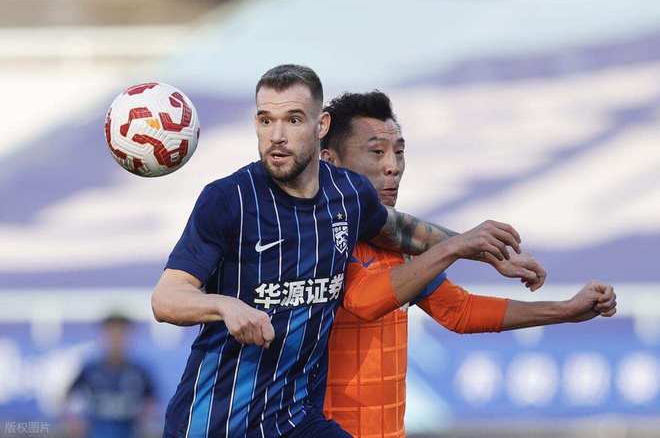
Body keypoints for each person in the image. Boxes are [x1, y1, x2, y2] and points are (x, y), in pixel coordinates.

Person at [151, 64, 541, 438]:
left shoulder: (348, 194)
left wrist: (491, 254)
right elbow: (167, 299)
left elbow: (403, 231)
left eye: (293, 120)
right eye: (266, 120)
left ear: (321, 126)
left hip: (293, 420)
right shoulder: (228, 199)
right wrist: (224, 306)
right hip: (215, 423)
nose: (277, 135)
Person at [317, 90, 618, 438]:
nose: (393, 166)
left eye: (399, 152)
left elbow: (458, 311)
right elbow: (365, 300)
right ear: (330, 160)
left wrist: (565, 310)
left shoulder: (398, 243)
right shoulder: (313, 234)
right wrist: (456, 247)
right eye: (376, 152)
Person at [64, 313, 157, 438]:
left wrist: (146, 418)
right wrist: (74, 420)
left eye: (121, 334)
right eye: (112, 334)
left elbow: (152, 403)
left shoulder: (140, 372)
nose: (116, 340)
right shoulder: (90, 370)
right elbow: (69, 399)